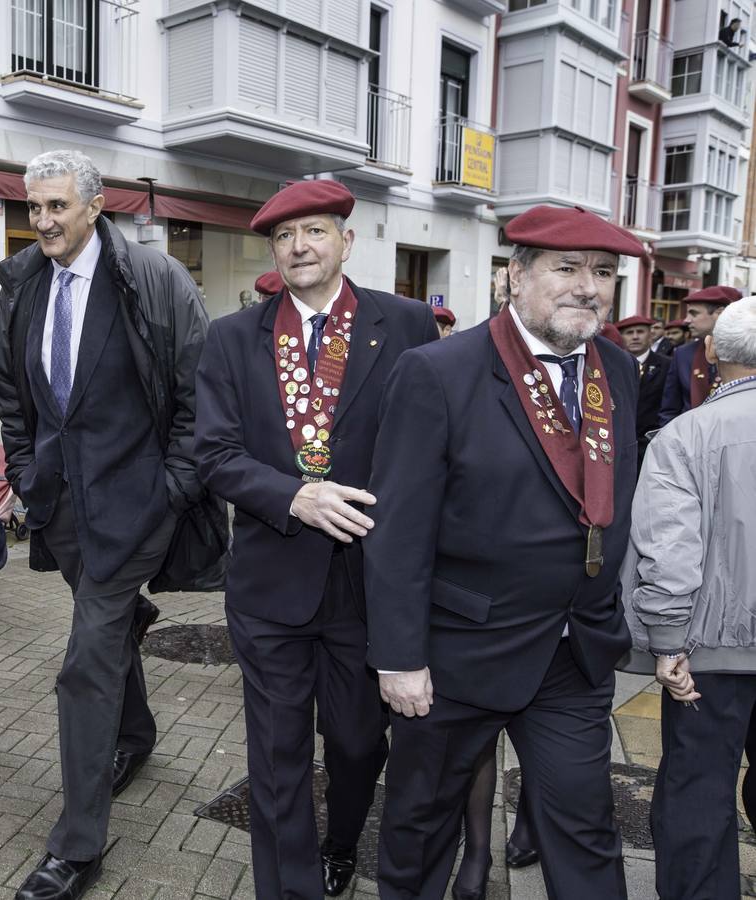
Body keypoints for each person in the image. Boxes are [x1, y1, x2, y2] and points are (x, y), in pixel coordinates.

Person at [366, 205, 644, 900]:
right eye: (568, 268)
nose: (588, 286)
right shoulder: (438, 371)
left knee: (585, 827)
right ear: (513, 278)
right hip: (456, 655)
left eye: (604, 272)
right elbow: (398, 529)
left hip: (573, 652)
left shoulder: (618, 368)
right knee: (421, 828)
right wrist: (400, 657)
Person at [196, 180, 437, 899]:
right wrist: (292, 495)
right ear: (272, 250)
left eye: (316, 232)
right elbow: (213, 453)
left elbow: (429, 450)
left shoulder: (408, 325)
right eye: (285, 236)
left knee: (360, 743)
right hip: (272, 584)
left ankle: (342, 839)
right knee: (276, 757)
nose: (300, 246)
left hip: (370, 583)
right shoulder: (233, 338)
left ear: (346, 241)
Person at [0, 149, 211, 900]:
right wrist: (23, 472)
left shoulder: (154, 279)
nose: (44, 221)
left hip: (138, 507)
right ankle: (138, 735)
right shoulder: (22, 283)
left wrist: (175, 487)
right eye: (35, 208)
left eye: (57, 206)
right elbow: (11, 389)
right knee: (109, 624)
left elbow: (196, 393)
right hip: (62, 511)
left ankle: (78, 843)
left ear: (94, 206)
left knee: (85, 661)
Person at [621, 296, 756, 899]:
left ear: (710, 354)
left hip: (711, 650)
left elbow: (669, 551)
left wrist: (667, 642)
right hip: (718, 644)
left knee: (697, 791)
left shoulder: (684, 435)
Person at [659, 285, 741, 426]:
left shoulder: (748, 351)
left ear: (720, 313)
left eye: (694, 313)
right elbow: (669, 411)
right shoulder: (683, 354)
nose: (686, 320)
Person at [617, 315, 668, 457]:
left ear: (650, 335)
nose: (635, 337)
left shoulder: (666, 365)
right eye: (629, 333)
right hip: (620, 443)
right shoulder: (613, 366)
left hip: (652, 444)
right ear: (621, 337)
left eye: (640, 332)